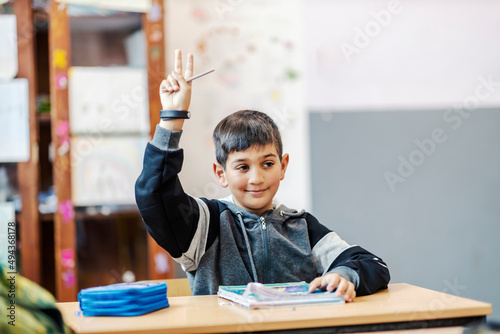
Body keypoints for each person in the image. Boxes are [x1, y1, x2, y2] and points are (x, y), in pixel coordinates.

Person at [135, 50, 390, 301]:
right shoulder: (205, 224)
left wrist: (344, 275)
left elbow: (372, 264)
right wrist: (172, 119)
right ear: (220, 174)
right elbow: (154, 193)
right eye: (243, 167)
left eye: (267, 164)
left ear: (283, 165)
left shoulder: (302, 226)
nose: (256, 178)